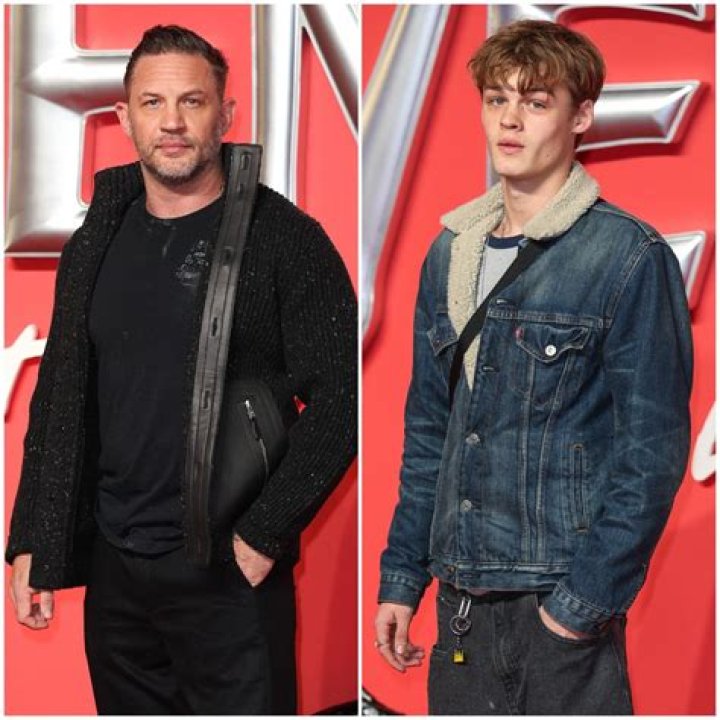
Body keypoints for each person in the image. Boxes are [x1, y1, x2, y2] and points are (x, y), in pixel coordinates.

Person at [7, 24, 357, 715]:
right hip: (117, 571)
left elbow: (345, 397)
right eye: (152, 103)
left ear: (225, 115)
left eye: (192, 102)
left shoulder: (285, 238)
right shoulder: (95, 239)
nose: (171, 122)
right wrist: (34, 540)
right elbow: (60, 394)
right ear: (124, 117)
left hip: (227, 572)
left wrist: (263, 534)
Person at [375, 19, 691, 715]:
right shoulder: (449, 254)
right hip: (460, 605)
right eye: (496, 99)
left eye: (536, 102)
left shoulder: (628, 257)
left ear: (581, 116)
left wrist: (580, 607)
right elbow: (429, 434)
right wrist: (401, 578)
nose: (510, 120)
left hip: (557, 606)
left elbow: (653, 453)